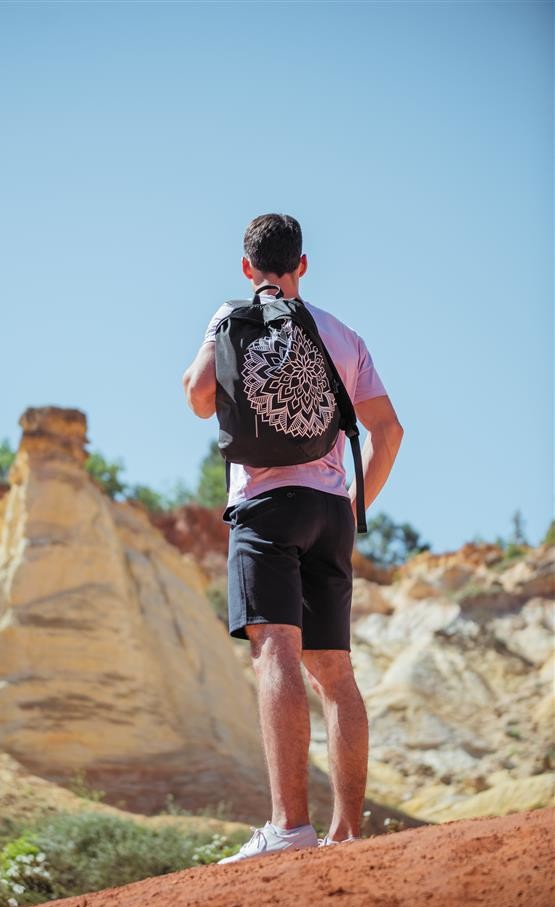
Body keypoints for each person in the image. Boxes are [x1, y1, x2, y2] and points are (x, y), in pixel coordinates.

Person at [182, 213, 404, 863]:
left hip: (264, 505)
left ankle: (289, 827)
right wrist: (354, 504)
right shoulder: (342, 335)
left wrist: (215, 334)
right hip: (330, 510)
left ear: (246, 266)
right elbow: (389, 432)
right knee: (335, 672)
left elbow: (198, 398)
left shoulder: (230, 316)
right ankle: (348, 831)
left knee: (275, 649)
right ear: (302, 264)